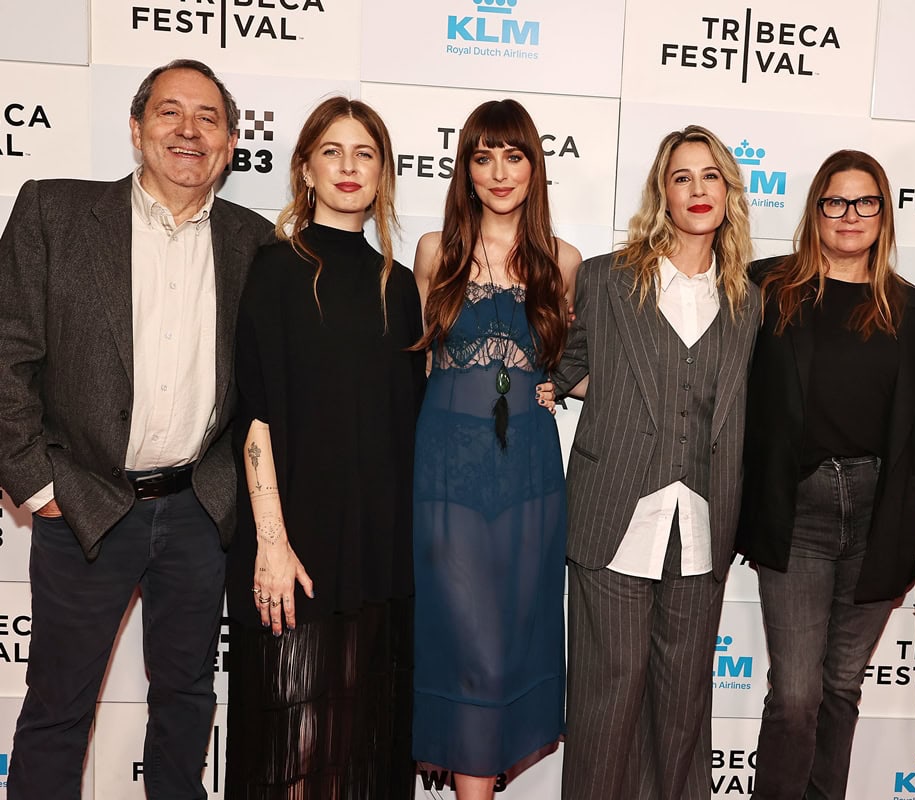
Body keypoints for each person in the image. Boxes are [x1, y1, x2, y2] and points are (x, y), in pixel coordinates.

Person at [0, 59, 274, 798]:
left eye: (208, 118)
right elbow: (7, 353)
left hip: (198, 511)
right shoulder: (53, 214)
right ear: (135, 128)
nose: (188, 130)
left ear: (230, 142)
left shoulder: (257, 243)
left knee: (186, 703)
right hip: (84, 501)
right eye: (169, 112)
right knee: (59, 708)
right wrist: (37, 483)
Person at [546, 125, 760, 800]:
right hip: (615, 512)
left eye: (710, 176)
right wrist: (622, 402)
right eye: (682, 177)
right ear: (662, 193)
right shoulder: (608, 279)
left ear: (728, 191)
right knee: (606, 707)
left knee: (683, 712)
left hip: (703, 522)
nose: (698, 190)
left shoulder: (750, 299)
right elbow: (566, 368)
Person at [223, 97, 424, 799]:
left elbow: (405, 425)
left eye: (364, 153)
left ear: (383, 175)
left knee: (358, 733)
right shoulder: (273, 270)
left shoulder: (400, 288)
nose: (348, 166)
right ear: (306, 167)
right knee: (287, 741)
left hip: (376, 548)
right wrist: (271, 543)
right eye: (332, 151)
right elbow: (256, 417)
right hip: (291, 543)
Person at [735, 150, 915, 800]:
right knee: (795, 694)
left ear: (883, 214)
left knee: (840, 689)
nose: (850, 216)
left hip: (879, 520)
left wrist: (909, 542)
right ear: (815, 211)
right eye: (835, 202)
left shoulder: (912, 314)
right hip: (796, 513)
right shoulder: (765, 289)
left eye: (865, 202)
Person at [411, 98, 581, 800]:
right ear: (467, 170)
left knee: (507, 647)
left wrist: (562, 387)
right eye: (484, 158)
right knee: (465, 645)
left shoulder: (564, 262)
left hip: (530, 477)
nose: (500, 172)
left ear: (535, 166)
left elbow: (578, 364)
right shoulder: (433, 252)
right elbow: (419, 367)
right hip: (445, 474)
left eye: (513, 156)